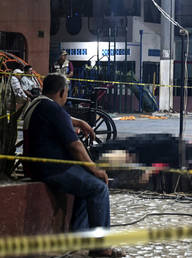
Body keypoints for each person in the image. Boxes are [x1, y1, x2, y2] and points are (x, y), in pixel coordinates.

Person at [22, 73, 124, 257]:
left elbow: (62, 119)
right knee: (99, 187)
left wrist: (78, 122)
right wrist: (95, 169)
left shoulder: (38, 104)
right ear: (62, 92)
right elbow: (75, 146)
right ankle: (101, 248)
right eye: (66, 93)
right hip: (52, 169)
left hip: (37, 166)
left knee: (87, 184)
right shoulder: (53, 109)